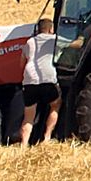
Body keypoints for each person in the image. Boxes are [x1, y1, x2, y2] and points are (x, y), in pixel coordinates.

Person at [21, 14, 61, 145]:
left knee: (28, 117)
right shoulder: (55, 40)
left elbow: (22, 63)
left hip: (29, 79)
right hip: (48, 77)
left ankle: (24, 144)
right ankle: (47, 137)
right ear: (50, 29)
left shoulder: (29, 42)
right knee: (55, 105)